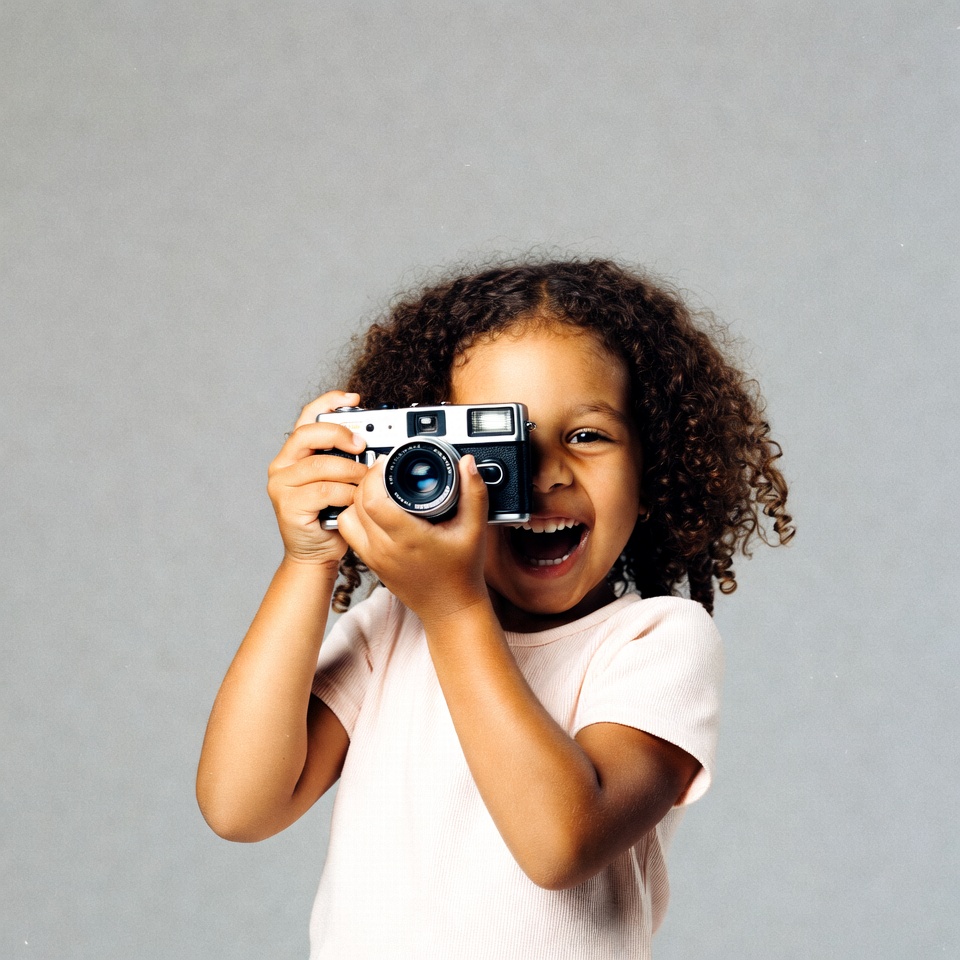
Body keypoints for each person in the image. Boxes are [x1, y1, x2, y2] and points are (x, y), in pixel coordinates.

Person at [197, 259, 794, 959]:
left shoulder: (655, 640)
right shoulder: (393, 629)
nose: (543, 474)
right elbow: (240, 807)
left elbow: (559, 844)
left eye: (587, 435)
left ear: (654, 472)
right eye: (497, 445)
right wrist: (308, 559)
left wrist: (454, 609)